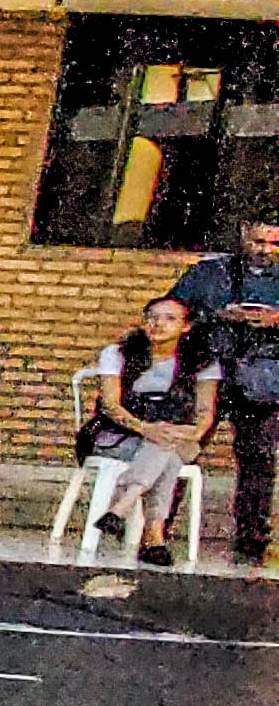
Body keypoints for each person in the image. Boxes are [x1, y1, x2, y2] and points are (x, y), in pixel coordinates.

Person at [168, 215, 279, 566]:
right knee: (182, 448)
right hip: (208, 372)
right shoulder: (210, 272)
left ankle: (251, 540)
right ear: (244, 235)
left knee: (258, 460)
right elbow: (170, 311)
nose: (265, 251)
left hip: (263, 379)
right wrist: (216, 315)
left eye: (274, 244)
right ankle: (156, 527)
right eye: (258, 242)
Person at [86, 295, 219, 566]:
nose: (158, 324)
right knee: (166, 452)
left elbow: (205, 412)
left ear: (186, 326)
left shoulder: (202, 361)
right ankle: (153, 537)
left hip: (176, 436)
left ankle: (122, 504)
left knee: (166, 443)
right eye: (152, 318)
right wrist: (146, 429)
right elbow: (110, 405)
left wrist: (190, 433)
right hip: (121, 434)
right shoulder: (118, 353)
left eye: (170, 319)